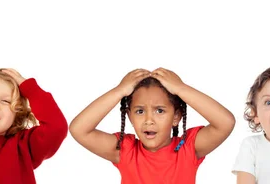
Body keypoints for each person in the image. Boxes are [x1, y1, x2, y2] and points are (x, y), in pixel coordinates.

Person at [70, 67, 235, 184]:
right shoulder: (125, 151)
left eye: (160, 111)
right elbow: (79, 129)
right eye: (140, 111)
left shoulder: (188, 148)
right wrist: (119, 91)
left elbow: (225, 122)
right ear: (130, 117)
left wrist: (181, 88)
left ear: (176, 116)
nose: (149, 120)